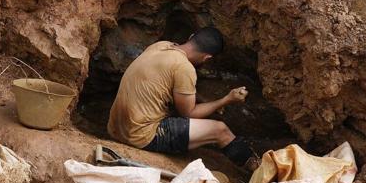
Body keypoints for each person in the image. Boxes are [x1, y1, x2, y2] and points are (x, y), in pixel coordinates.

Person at [107, 27, 256, 164]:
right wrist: (227, 99)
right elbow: (189, 113)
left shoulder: (161, 46)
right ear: (207, 58)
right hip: (141, 135)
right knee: (220, 130)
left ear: (191, 36)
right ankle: (256, 167)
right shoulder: (184, 68)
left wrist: (205, 101)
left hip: (116, 128)